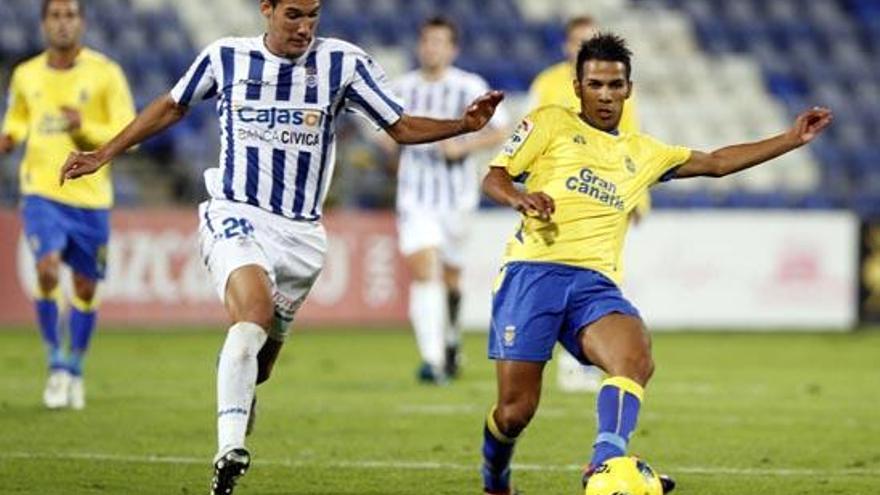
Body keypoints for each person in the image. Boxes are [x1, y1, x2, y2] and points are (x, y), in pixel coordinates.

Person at [59, 1, 503, 493]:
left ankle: (239, 375)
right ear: (266, 10)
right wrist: (104, 153)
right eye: (293, 14)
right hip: (236, 211)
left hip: (303, 239)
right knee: (251, 314)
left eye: (312, 15)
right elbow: (172, 104)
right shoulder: (225, 58)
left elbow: (398, 127)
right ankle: (229, 450)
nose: (304, 27)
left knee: (261, 362)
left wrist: (463, 126)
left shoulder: (342, 64)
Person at [478, 33, 831, 494]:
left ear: (629, 89)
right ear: (578, 86)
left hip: (593, 282)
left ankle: (604, 464)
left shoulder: (642, 152)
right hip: (532, 273)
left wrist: (790, 138)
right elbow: (494, 176)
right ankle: (496, 481)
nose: (605, 95)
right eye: (596, 84)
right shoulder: (548, 123)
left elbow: (717, 162)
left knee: (634, 357)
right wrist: (520, 197)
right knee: (514, 411)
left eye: (615, 85)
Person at [0, 0, 135, 410]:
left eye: (69, 16)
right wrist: (8, 137)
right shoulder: (26, 74)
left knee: (84, 286)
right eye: (55, 16)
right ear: (44, 24)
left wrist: (84, 129)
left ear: (82, 22)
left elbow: (128, 133)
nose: (62, 24)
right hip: (41, 190)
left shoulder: (106, 73)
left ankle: (75, 366)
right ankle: (55, 363)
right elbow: (18, 118)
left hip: (91, 197)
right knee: (45, 269)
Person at [530, 15, 648, 393]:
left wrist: (638, 194)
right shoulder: (547, 85)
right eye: (577, 41)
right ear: (567, 46)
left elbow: (633, 139)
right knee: (558, 274)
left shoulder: (615, 87)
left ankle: (584, 357)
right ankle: (561, 356)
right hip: (559, 196)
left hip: (608, 194)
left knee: (604, 271)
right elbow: (532, 134)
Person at [390, 16, 508, 384]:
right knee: (425, 271)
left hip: (456, 199)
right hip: (415, 197)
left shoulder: (467, 85)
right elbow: (382, 129)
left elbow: (502, 128)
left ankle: (452, 339)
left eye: (439, 42)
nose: (431, 48)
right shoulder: (402, 87)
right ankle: (433, 359)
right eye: (427, 41)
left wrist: (464, 146)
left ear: (452, 49)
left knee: (453, 279)